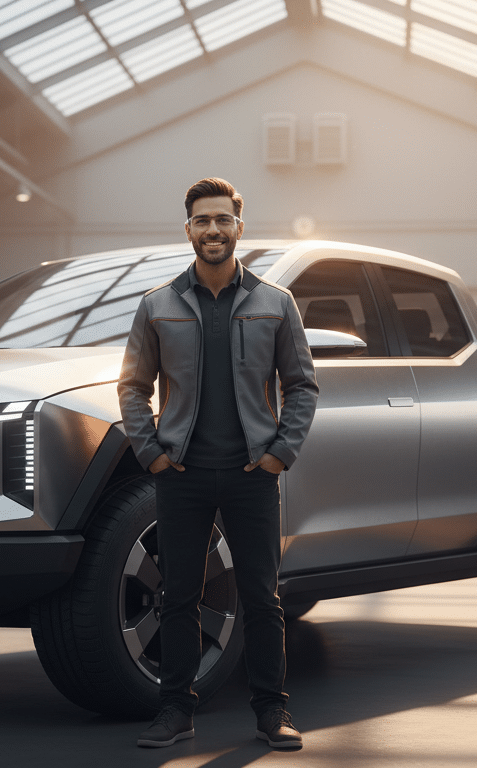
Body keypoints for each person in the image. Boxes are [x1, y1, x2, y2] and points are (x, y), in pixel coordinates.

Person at [118, 177, 319, 750]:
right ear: (188, 230)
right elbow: (133, 387)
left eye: (222, 220)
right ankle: (174, 710)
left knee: (261, 595)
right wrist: (150, 453)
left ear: (238, 226)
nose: (213, 230)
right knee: (180, 594)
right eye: (202, 221)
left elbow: (302, 386)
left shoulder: (275, 304)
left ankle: (271, 712)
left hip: (252, 473)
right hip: (180, 473)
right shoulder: (157, 305)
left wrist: (281, 453)